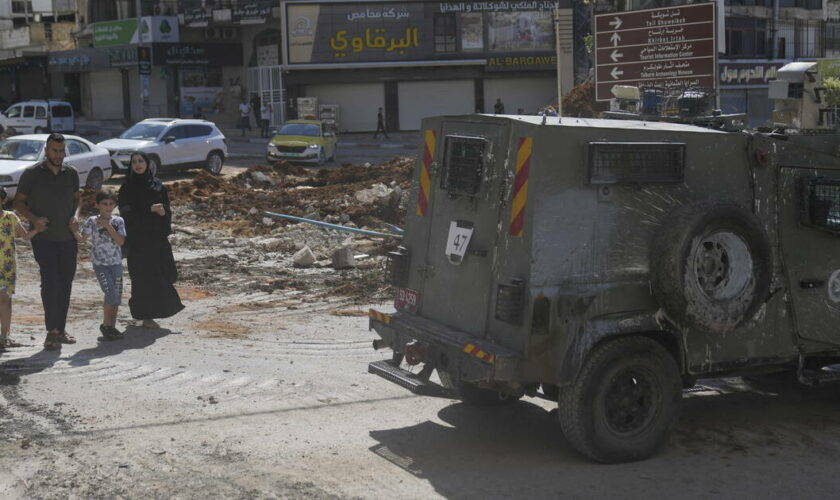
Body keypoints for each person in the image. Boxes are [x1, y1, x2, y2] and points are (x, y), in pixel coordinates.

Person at [12, 133, 81, 350]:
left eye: (61, 151)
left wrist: (77, 216)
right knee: (50, 283)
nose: (58, 155)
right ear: (46, 150)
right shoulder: (32, 174)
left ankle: (60, 329)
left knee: (65, 283)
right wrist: (34, 220)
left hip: (68, 238)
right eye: (54, 151)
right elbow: (18, 203)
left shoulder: (71, 173)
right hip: (43, 239)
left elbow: (77, 199)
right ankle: (51, 331)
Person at [118, 151, 184, 328]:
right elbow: (125, 213)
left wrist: (163, 212)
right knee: (141, 278)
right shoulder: (127, 188)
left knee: (163, 274)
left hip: (156, 239)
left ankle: (160, 311)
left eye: (141, 161)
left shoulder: (157, 186)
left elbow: (167, 209)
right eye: (134, 162)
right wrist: (148, 209)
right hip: (138, 241)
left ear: (147, 163)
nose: (138, 164)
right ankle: (145, 316)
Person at [74, 190, 126, 341]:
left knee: (116, 296)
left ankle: (111, 326)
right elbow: (82, 239)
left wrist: (108, 226)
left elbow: (121, 241)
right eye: (104, 204)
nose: (108, 207)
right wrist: (73, 230)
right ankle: (106, 325)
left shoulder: (118, 221)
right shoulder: (91, 221)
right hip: (101, 264)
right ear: (97, 205)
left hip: (116, 263)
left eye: (111, 204)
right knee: (109, 292)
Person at [0, 187, 42, 352]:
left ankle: (5, 336)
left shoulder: (11, 218)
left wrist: (37, 229)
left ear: (3, 200)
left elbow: (24, 236)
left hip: (7, 265)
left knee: (5, 300)